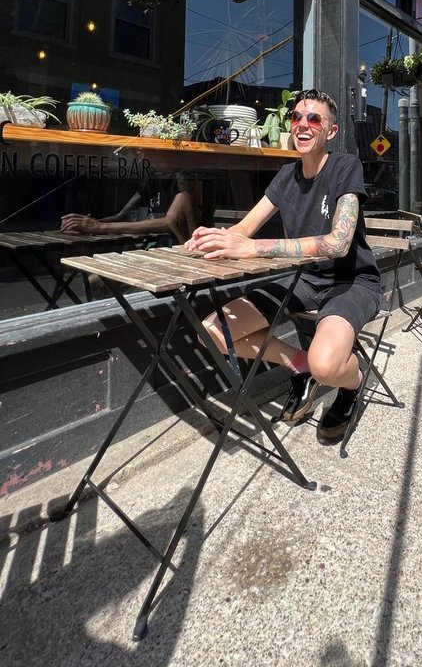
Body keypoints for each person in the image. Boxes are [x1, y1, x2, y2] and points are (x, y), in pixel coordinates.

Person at [185, 88, 383, 442]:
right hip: (305, 280)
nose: (302, 125)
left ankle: (351, 383)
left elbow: (338, 243)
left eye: (314, 119)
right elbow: (244, 229)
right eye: (296, 117)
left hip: (352, 282)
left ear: (331, 132)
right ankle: (301, 365)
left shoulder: (344, 166)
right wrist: (213, 239)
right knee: (213, 332)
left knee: (329, 366)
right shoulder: (285, 176)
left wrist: (251, 249)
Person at [61, 173, 203, 244]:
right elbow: (121, 214)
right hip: (148, 247)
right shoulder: (152, 178)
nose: (139, 149)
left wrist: (100, 226)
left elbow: (167, 222)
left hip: (169, 254)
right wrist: (94, 222)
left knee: (93, 282)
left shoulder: (183, 189)